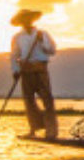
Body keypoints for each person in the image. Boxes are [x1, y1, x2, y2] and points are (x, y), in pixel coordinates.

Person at [10, 9, 58, 140]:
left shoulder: (42, 34)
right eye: (23, 20)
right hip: (26, 70)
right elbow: (14, 56)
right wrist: (15, 71)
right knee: (29, 101)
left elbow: (52, 51)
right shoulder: (17, 37)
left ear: (32, 20)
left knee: (47, 100)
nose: (26, 21)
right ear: (20, 22)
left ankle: (51, 131)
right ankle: (34, 129)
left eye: (28, 19)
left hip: (41, 69)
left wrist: (42, 42)